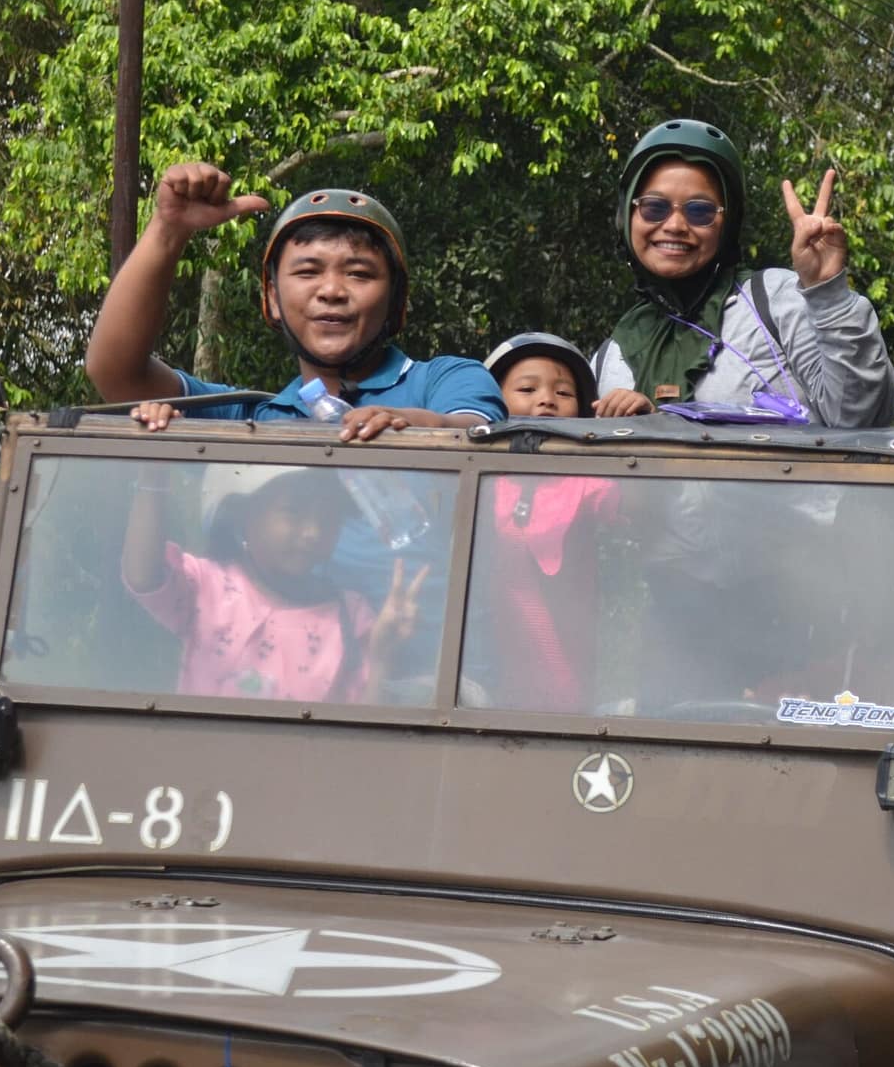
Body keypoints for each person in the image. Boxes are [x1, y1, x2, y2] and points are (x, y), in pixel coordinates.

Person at [86, 163, 505, 439]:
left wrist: (419, 425)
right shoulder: (249, 416)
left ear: (397, 301)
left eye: (359, 273)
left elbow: (475, 432)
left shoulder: (443, 381)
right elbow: (115, 372)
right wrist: (168, 230)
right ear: (270, 298)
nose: (332, 290)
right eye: (307, 272)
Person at [590, 119, 894, 427]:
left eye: (700, 211)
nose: (674, 226)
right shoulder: (611, 354)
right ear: (627, 217)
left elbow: (859, 420)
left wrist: (828, 293)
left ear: (729, 224)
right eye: (654, 208)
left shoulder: (774, 301)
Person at [121, 465, 425, 704]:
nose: (313, 531)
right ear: (242, 514)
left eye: (329, 518)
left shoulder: (351, 615)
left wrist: (383, 656)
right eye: (293, 511)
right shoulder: (208, 585)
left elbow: (363, 735)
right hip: (205, 776)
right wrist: (153, 476)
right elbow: (144, 576)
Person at [467, 334, 622, 712]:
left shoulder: (585, 480)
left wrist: (636, 427)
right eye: (526, 388)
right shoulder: (477, 472)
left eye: (564, 393)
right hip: (483, 643)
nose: (546, 399)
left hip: (563, 643)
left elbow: (640, 506)